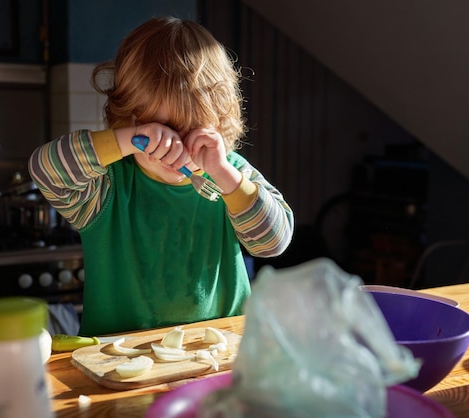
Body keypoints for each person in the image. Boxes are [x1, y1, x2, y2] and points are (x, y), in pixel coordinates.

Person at [28, 16, 294, 337]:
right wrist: (129, 139)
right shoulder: (104, 187)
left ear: (218, 123)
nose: (175, 146)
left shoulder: (229, 172)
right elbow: (45, 168)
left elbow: (273, 243)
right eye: (157, 130)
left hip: (217, 354)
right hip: (118, 360)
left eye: (190, 128)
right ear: (130, 120)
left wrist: (225, 174)